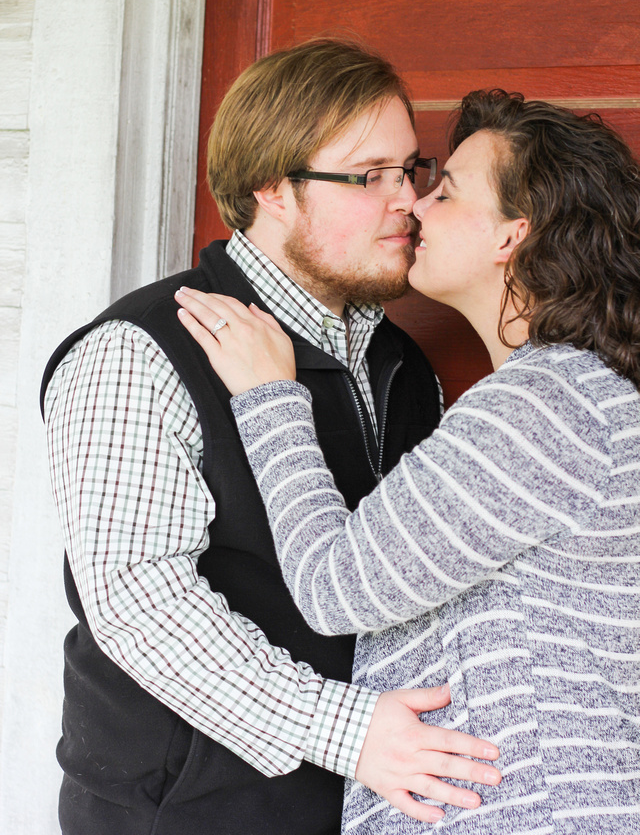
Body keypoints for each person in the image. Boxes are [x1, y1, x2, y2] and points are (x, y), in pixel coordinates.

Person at [41, 40, 502, 835]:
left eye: (411, 170)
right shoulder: (138, 347)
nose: (408, 201)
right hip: (183, 812)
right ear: (272, 189)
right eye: (369, 176)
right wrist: (350, 732)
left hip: (362, 807)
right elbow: (138, 603)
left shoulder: (404, 365)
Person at [176, 89, 640, 834]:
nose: (415, 205)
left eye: (446, 190)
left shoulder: (544, 404)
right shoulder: (574, 397)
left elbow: (335, 587)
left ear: (512, 236)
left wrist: (270, 396)